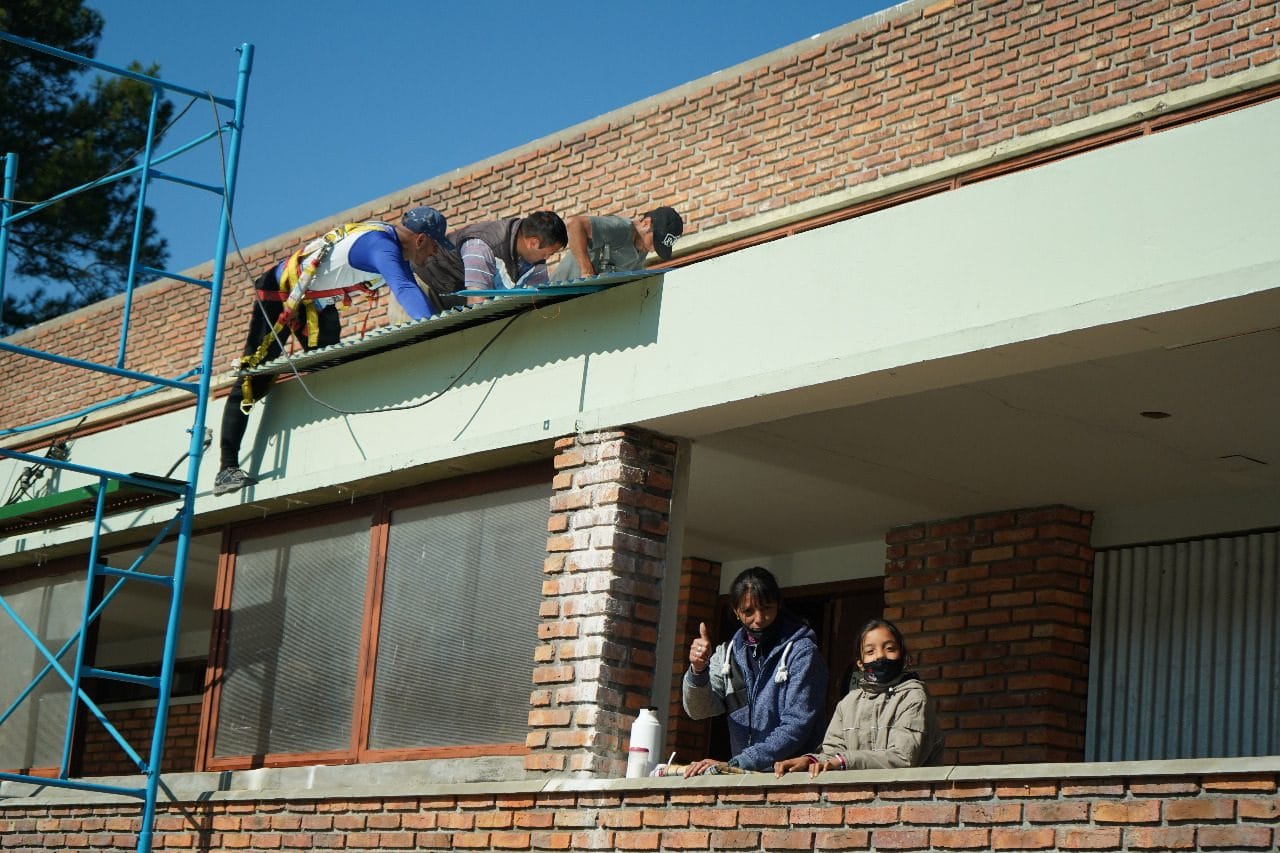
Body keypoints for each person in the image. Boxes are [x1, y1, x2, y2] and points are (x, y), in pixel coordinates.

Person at [214, 206, 455, 496]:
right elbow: (404, 288)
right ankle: (226, 469)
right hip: (280, 292)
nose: (435, 254)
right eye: (435, 246)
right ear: (420, 239)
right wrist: (440, 331)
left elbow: (407, 285)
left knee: (331, 369)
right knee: (254, 376)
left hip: (316, 304)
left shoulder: (393, 249)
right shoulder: (381, 246)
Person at [681, 566, 828, 776]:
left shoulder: (802, 652)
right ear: (736, 612)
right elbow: (699, 710)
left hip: (794, 778)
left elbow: (797, 725)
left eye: (767, 608)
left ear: (779, 604)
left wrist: (739, 762)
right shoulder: (727, 654)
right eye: (748, 611)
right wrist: (698, 670)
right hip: (747, 777)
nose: (759, 619)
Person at [774, 618, 943, 776]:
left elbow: (903, 757)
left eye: (890, 649)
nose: (880, 656)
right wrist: (811, 761)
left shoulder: (913, 696)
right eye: (870, 651)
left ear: (903, 656)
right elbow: (833, 754)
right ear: (860, 664)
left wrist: (844, 761)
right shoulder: (848, 703)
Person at [410, 211, 567, 313]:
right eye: (548, 253)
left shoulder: (534, 259)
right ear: (533, 243)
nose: (547, 258)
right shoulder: (481, 245)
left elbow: (538, 299)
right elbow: (476, 301)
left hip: (454, 297)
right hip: (425, 289)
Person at [550, 206, 684, 281]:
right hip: (556, 295)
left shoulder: (641, 252)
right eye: (655, 242)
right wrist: (586, 270)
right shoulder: (621, 228)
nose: (652, 250)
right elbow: (574, 224)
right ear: (646, 223)